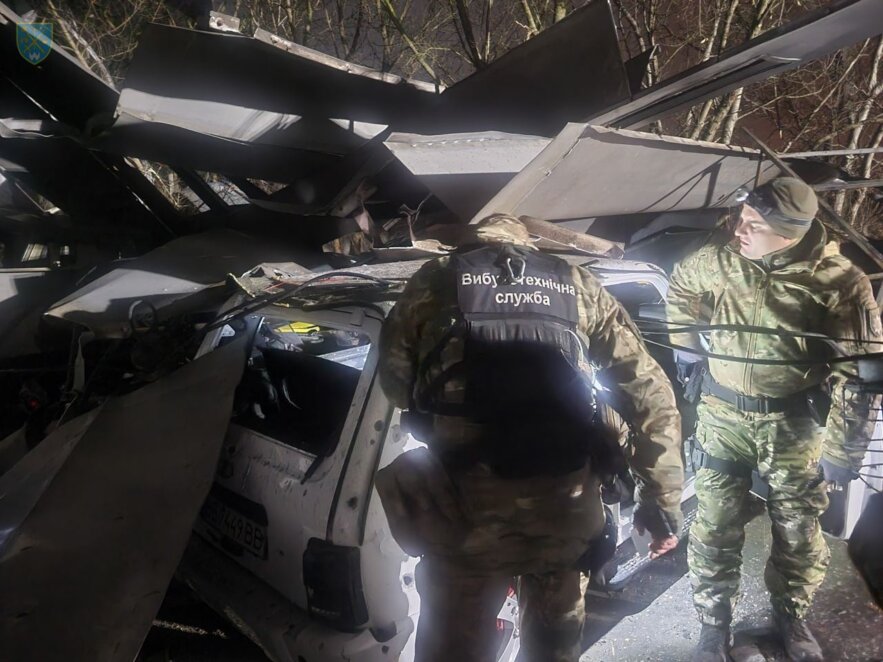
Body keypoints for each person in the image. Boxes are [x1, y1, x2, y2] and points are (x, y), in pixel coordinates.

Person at [376, 214, 684, 662]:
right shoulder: (575, 283)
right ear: (528, 247)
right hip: (566, 512)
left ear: (469, 246)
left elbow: (395, 384)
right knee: (553, 645)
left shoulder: (435, 281)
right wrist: (661, 503)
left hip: (464, 518)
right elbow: (650, 395)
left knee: (453, 645)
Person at [667, 177, 883, 662]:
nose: (739, 229)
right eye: (742, 218)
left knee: (796, 530)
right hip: (722, 415)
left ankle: (790, 615)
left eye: (754, 225)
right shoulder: (722, 258)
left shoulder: (838, 283)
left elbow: (862, 377)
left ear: (788, 232)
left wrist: (843, 453)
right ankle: (713, 624)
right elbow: (682, 286)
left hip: (792, 426)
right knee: (713, 525)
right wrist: (686, 348)